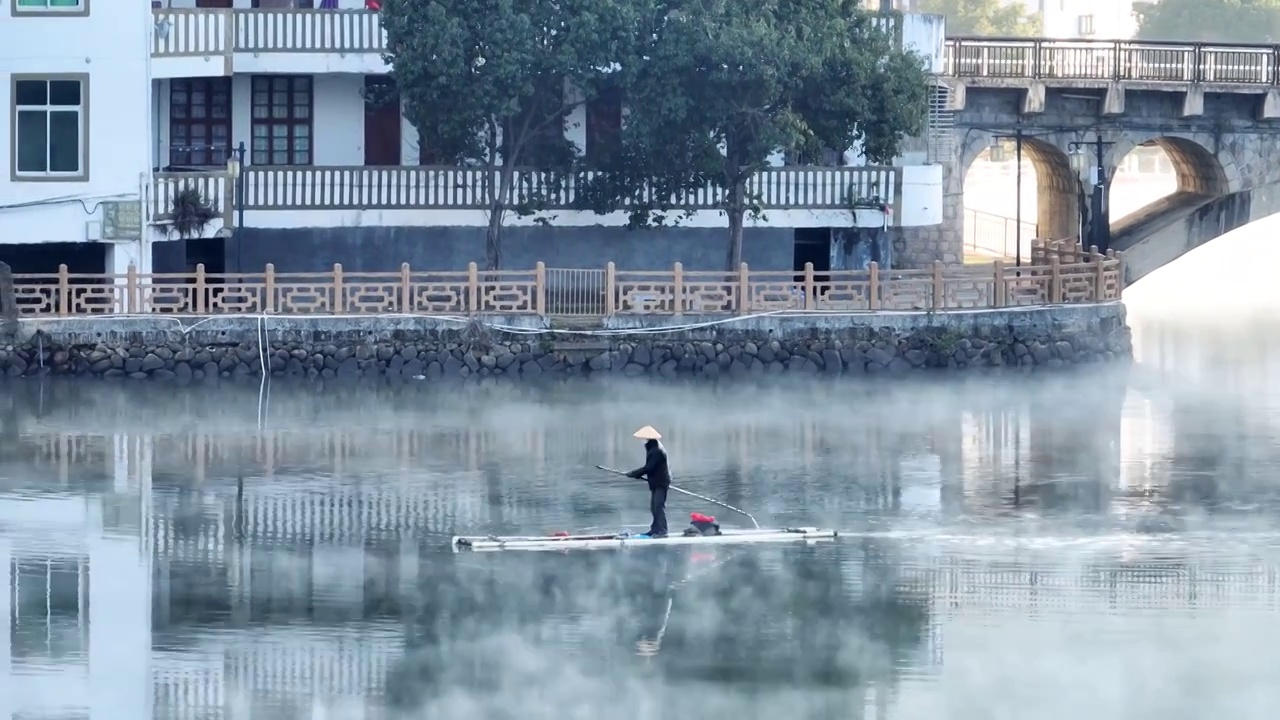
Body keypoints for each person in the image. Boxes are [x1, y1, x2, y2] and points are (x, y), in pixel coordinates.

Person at [626, 425, 671, 538]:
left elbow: (649, 467)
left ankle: (662, 531)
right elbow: (649, 468)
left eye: (644, 438)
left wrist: (634, 473)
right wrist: (636, 474)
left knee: (658, 506)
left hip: (661, 482)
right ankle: (654, 529)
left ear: (648, 438)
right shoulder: (652, 448)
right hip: (655, 482)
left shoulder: (656, 450)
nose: (642, 440)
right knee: (653, 507)